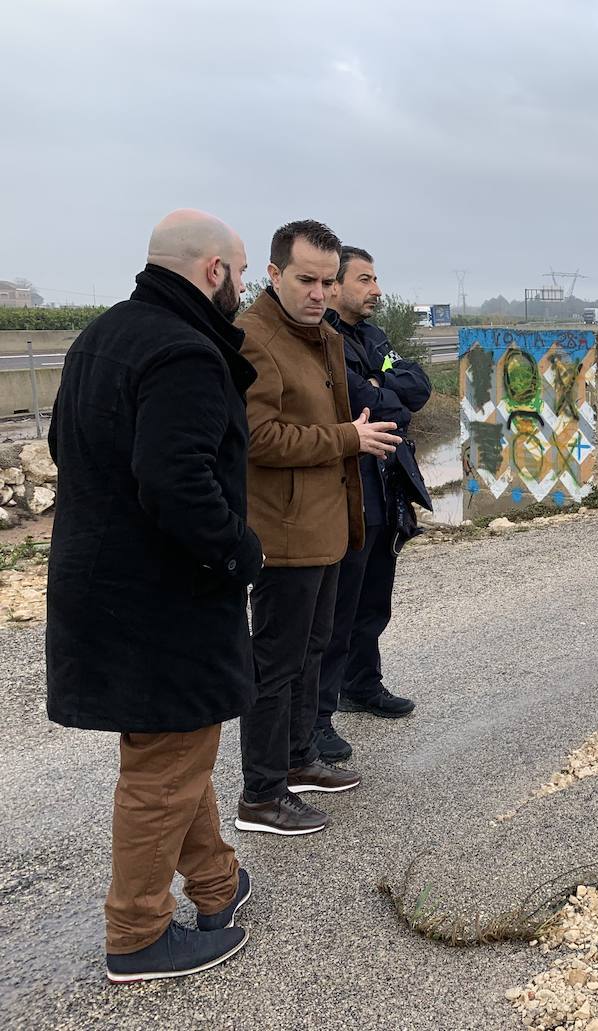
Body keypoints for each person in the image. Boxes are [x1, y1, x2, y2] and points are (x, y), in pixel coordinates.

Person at [47, 209, 260, 982]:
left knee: (177, 744)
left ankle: (215, 883)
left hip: (102, 588)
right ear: (212, 272)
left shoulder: (102, 335)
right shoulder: (186, 353)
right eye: (241, 271)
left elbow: (64, 447)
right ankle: (136, 934)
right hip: (161, 605)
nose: (245, 285)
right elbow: (177, 482)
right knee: (164, 765)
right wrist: (241, 551)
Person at [235, 220, 401, 836]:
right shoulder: (253, 339)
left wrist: (350, 428)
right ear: (275, 275)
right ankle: (261, 794)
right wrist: (348, 437)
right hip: (282, 531)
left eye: (328, 282)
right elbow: (256, 437)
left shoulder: (323, 336)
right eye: (306, 279)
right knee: (275, 662)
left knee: (312, 649)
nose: (318, 292)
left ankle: (300, 759)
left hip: (330, 524)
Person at [314, 246, 433, 762]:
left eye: (376, 279)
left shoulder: (375, 338)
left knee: (373, 595)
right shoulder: (324, 340)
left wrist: (382, 385)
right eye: (365, 279)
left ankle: (362, 685)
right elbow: (366, 402)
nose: (377, 290)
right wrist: (384, 391)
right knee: (335, 607)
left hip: (385, 484)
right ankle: (316, 715)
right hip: (346, 486)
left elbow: (417, 387)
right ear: (334, 285)